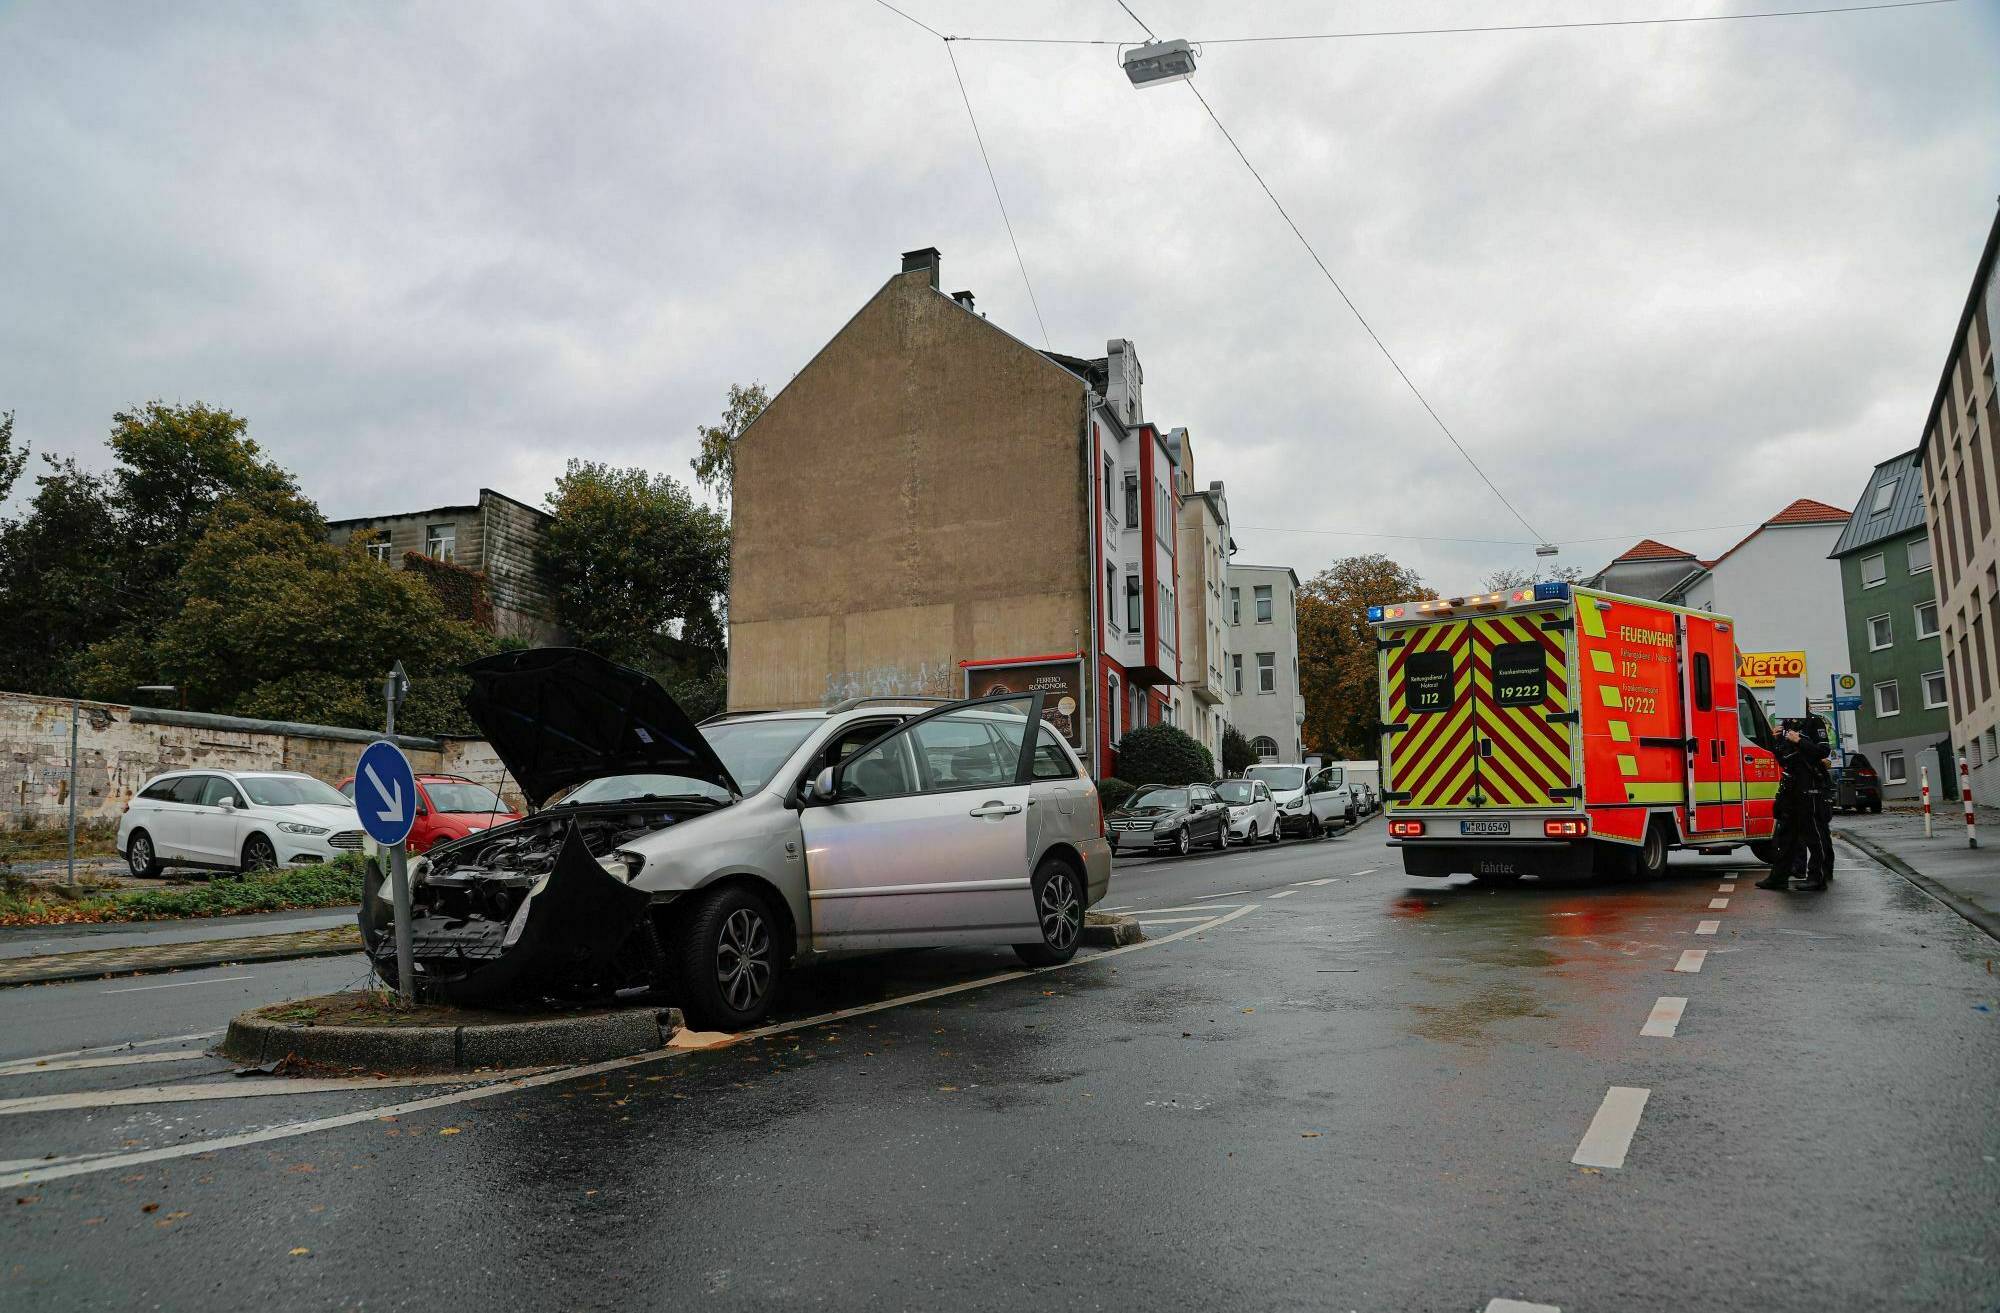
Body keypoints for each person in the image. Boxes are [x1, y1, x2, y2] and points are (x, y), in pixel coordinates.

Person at [1756, 719, 1831, 891]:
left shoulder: (1814, 722)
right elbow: (1784, 759)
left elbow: (1823, 751)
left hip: (1810, 786)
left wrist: (1799, 741)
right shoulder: (1787, 725)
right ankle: (1778, 877)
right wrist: (1777, 742)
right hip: (1791, 787)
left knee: (1813, 834)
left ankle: (1817, 877)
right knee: (1785, 835)